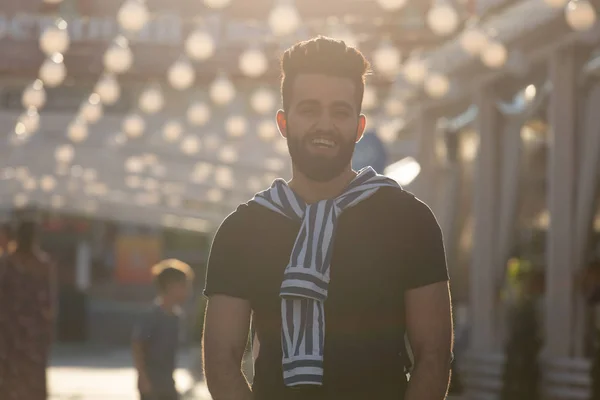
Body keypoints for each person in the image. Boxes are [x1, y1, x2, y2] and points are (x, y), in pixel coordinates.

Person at [203, 36, 453, 400]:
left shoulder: (409, 221)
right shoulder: (242, 230)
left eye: (340, 112)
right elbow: (221, 362)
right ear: (284, 123)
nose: (325, 124)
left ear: (359, 126)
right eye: (309, 110)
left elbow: (433, 357)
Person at [0, 216, 57, 400]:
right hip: (30, 334)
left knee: (10, 382)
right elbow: (49, 304)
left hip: (10, 334)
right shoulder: (42, 265)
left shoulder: (6, 263)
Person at [132, 259, 194, 400]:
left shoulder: (177, 317)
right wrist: (142, 377)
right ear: (171, 286)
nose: (188, 291)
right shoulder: (152, 315)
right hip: (151, 384)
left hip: (168, 384)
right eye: (184, 286)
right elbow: (138, 345)